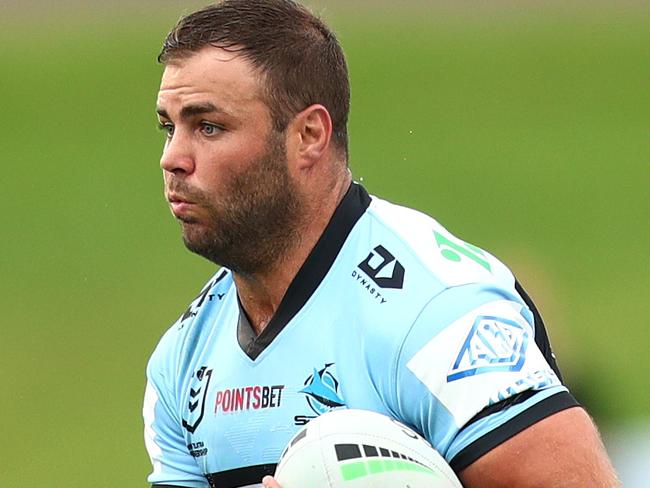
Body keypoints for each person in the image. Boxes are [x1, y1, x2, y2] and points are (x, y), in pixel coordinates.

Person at [143, 1, 620, 487]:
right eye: (169, 127)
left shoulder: (438, 315)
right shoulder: (183, 361)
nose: (173, 158)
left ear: (309, 136)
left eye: (208, 127)